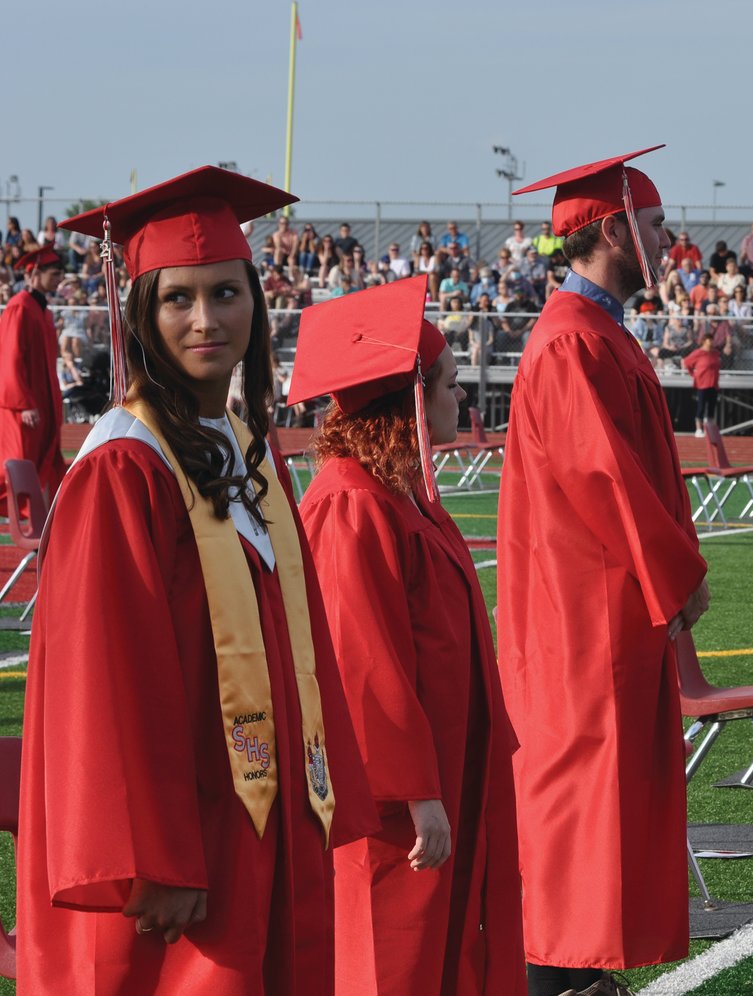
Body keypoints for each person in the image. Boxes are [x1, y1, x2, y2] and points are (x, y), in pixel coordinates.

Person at [22, 165, 377, 993]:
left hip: (259, 824)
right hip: (182, 854)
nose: (206, 318)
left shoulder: (245, 451)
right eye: (178, 298)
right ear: (140, 314)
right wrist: (155, 855)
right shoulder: (124, 467)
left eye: (226, 293)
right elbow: (101, 683)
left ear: (257, 304)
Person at [500, 146, 709, 996]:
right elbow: (606, 478)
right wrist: (678, 576)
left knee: (606, 799)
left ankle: (586, 972)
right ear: (614, 229)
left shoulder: (597, 334)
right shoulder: (569, 344)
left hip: (605, 611)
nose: (669, 239)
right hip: (580, 618)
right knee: (579, 801)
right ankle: (556, 976)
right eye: (655, 225)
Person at [291, 277, 525, 995]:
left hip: (446, 776)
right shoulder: (350, 505)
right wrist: (415, 789)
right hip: (394, 810)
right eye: (450, 384)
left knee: (439, 955)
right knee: (389, 955)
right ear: (409, 404)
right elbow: (363, 666)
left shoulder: (402, 498)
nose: (464, 399)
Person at [0, 246, 68, 505]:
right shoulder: (20, 308)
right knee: (20, 469)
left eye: (61, 273)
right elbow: (9, 359)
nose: (59, 279)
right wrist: (24, 403)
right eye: (54, 274)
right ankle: (28, 534)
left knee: (44, 464)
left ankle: (40, 534)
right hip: (24, 408)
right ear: (35, 273)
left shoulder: (44, 311)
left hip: (44, 405)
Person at [682, 331, 721, 436]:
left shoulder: (715, 353)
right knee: (701, 407)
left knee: (712, 407)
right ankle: (698, 429)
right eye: (709, 340)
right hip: (702, 384)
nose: (711, 342)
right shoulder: (698, 353)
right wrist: (693, 375)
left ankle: (710, 429)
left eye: (712, 340)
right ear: (704, 341)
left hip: (713, 384)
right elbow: (686, 362)